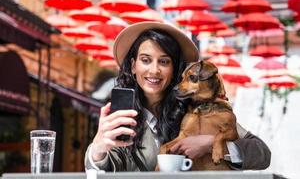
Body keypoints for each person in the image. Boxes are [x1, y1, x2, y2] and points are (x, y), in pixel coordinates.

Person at [85, 21, 271, 172]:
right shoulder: (123, 117)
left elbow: (262, 154)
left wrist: (211, 143)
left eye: (164, 61)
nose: (154, 70)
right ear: (134, 66)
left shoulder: (200, 108)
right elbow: (102, 169)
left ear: (174, 69)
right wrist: (98, 147)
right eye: (145, 60)